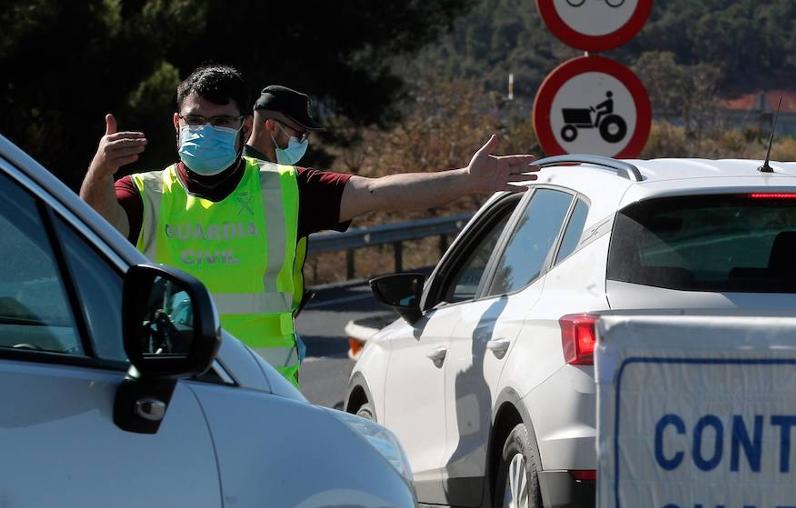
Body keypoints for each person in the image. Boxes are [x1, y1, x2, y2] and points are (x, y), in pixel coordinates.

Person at [80, 64, 536, 386]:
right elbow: (99, 221)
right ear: (177, 123)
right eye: (196, 120)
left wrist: (466, 180)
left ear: (242, 128)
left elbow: (380, 192)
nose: (206, 130)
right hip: (173, 382)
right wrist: (100, 172)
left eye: (221, 122)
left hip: (265, 386)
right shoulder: (147, 192)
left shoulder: (286, 188)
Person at [246, 84, 317, 165]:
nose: (304, 142)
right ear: (272, 126)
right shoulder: (236, 170)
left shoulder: (286, 172)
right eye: (300, 134)